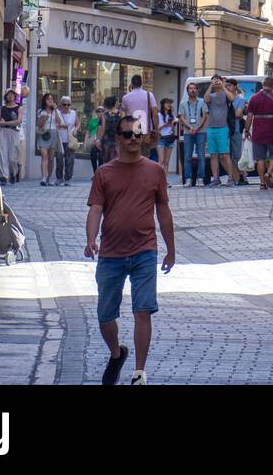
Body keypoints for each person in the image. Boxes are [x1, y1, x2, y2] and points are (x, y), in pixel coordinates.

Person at [85, 114, 175, 386]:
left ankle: (139, 372)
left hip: (144, 250)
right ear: (117, 139)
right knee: (105, 315)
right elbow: (96, 209)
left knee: (143, 310)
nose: (134, 139)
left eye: (138, 134)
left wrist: (171, 249)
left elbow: (163, 210)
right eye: (127, 134)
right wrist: (91, 240)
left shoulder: (155, 171)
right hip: (111, 253)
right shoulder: (105, 173)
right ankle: (116, 353)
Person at [244, 75, 273, 189]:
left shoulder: (254, 98)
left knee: (260, 158)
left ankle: (262, 183)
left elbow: (249, 116)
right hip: (272, 129)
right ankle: (268, 174)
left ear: (263, 85)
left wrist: (247, 129)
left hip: (258, 130)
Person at [203, 76, 239, 187]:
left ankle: (230, 178)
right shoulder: (211, 95)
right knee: (213, 155)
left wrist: (222, 85)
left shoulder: (225, 94)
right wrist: (211, 85)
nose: (216, 82)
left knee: (225, 154)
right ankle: (216, 179)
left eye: (218, 80)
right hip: (211, 128)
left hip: (223, 128)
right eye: (214, 80)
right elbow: (205, 99)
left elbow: (232, 98)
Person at [177, 80, 208, 187]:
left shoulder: (202, 101)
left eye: (194, 88)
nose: (193, 90)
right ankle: (188, 179)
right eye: (190, 88)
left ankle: (200, 178)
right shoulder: (183, 103)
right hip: (188, 132)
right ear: (188, 91)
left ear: (197, 90)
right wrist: (190, 127)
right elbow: (181, 117)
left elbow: (205, 116)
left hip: (201, 131)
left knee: (201, 156)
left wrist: (198, 128)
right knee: (187, 157)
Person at [122, 75, 158, 152]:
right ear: (141, 83)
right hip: (146, 131)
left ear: (131, 84)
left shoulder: (125, 97)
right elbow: (155, 114)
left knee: (132, 154)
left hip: (131, 131)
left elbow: (124, 116)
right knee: (144, 156)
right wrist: (156, 129)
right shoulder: (149, 95)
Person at [0, 89, 22, 185]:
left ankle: (13, 173)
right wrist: (5, 123)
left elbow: (18, 121)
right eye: (8, 94)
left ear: (15, 96)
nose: (10, 96)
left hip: (14, 132)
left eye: (12, 94)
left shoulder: (18, 108)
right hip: (2, 132)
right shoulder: (2, 108)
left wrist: (5, 122)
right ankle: (4, 176)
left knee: (13, 156)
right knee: (2, 154)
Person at [226, 79, 249, 185]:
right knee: (226, 155)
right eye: (226, 85)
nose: (227, 87)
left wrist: (225, 114)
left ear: (235, 86)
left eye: (230, 85)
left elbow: (238, 114)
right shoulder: (225, 98)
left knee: (236, 155)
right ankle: (235, 177)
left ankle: (243, 176)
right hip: (225, 130)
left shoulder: (240, 99)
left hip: (235, 130)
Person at [54, 95, 79, 186]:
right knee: (59, 159)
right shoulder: (57, 112)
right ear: (61, 105)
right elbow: (55, 123)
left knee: (70, 160)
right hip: (60, 138)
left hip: (70, 139)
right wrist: (60, 126)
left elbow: (77, 123)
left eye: (68, 104)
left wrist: (75, 129)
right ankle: (59, 178)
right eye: (64, 104)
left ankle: (68, 178)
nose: (66, 106)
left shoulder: (73, 113)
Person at [36, 92, 58, 186]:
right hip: (44, 133)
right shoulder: (41, 111)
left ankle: (49, 177)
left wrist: (56, 110)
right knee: (44, 156)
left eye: (51, 99)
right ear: (45, 101)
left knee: (51, 158)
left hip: (53, 133)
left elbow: (59, 122)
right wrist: (43, 119)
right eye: (48, 99)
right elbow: (39, 125)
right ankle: (44, 178)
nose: (50, 101)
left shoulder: (55, 111)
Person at [96, 95, 122, 166]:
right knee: (118, 162)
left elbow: (102, 128)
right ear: (115, 103)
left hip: (107, 141)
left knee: (107, 163)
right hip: (119, 141)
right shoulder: (121, 114)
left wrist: (98, 140)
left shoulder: (104, 115)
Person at [156, 98, 176, 176]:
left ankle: (165, 180)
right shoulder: (158, 115)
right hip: (161, 139)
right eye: (167, 103)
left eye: (170, 103)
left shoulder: (172, 115)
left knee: (166, 162)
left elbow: (173, 129)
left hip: (170, 138)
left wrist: (173, 124)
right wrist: (165, 125)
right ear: (162, 104)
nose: (169, 104)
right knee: (161, 161)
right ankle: (158, 180)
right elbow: (156, 129)